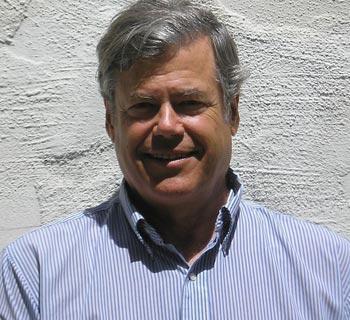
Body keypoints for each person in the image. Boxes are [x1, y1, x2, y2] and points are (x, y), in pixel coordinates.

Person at [1, 0, 349, 318]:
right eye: (143, 106)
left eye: (189, 103)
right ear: (111, 121)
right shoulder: (35, 275)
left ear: (233, 112)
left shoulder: (328, 268)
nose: (167, 126)